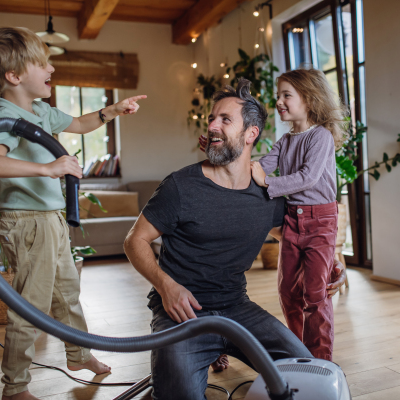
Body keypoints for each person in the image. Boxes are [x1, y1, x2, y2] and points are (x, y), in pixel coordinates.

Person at [124, 79, 344, 400]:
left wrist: (335, 262)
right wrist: (166, 286)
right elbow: (135, 241)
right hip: (182, 313)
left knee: (306, 370)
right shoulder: (181, 186)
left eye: (225, 120)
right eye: (212, 118)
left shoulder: (267, 196)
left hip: (237, 309)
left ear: (251, 134)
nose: (213, 125)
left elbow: (299, 236)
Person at [0, 27, 146, 400]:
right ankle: (14, 387)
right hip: (28, 222)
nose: (51, 67)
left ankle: (79, 355)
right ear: (14, 76)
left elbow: (80, 124)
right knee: (28, 305)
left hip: (50, 219)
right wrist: (48, 169)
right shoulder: (5, 116)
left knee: (67, 293)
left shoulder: (40, 111)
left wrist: (110, 111)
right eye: (42, 62)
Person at [252, 69, 346, 361]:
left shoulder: (321, 137)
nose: (278, 101)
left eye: (286, 95)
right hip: (293, 219)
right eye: (277, 96)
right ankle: (297, 352)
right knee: (288, 291)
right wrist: (234, 157)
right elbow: (260, 165)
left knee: (315, 294)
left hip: (321, 220)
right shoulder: (285, 140)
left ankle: (321, 361)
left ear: (308, 99)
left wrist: (268, 182)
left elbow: (308, 177)